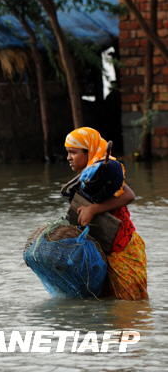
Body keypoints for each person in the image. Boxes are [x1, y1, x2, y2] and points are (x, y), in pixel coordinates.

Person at [64, 126, 148, 300]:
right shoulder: (88, 177)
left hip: (123, 247)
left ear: (89, 151)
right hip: (103, 249)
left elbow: (129, 195)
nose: (68, 158)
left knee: (131, 305)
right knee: (107, 304)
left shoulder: (105, 170)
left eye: (73, 152)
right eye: (67, 152)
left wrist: (93, 209)